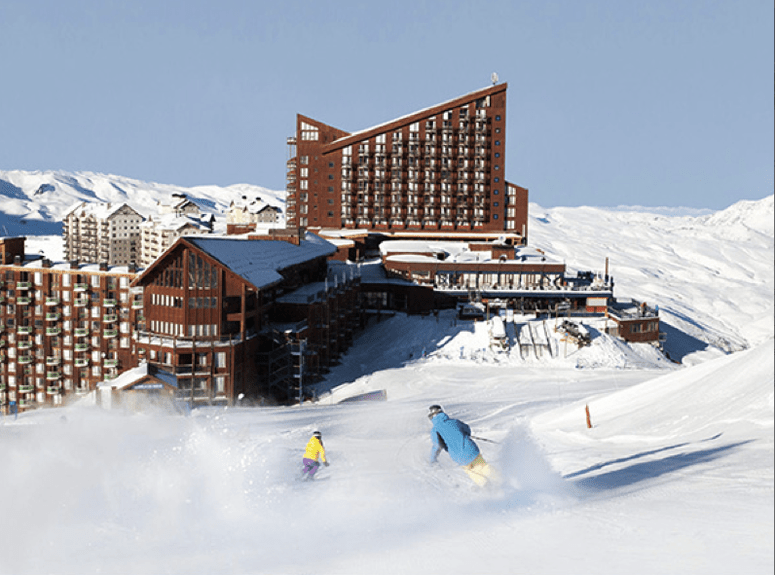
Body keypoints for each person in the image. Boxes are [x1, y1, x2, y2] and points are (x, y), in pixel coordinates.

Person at [428, 405, 494, 487]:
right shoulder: (454, 422)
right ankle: (502, 480)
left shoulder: (434, 430)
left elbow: (437, 446)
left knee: (472, 472)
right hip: (471, 449)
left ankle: (486, 487)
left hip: (458, 457)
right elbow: (467, 429)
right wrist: (463, 434)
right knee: (484, 467)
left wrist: (432, 459)